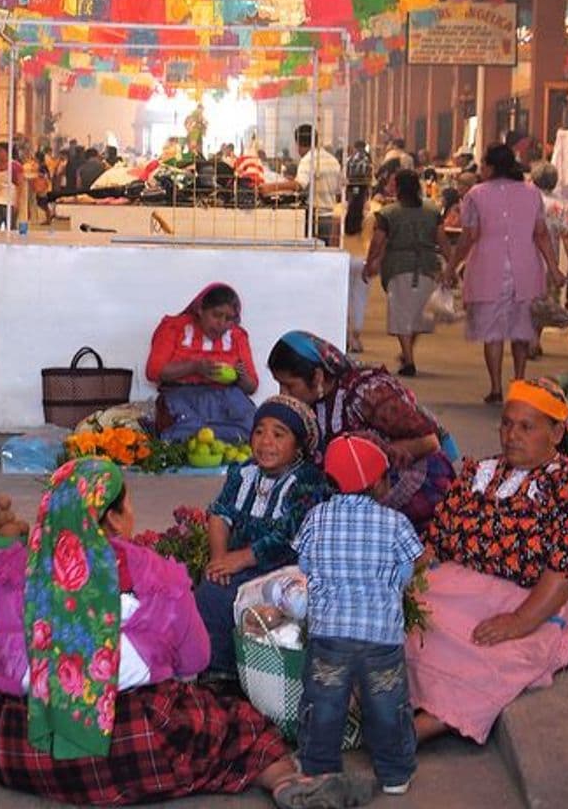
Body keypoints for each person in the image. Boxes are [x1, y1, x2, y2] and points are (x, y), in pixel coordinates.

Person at [0, 457, 299, 803]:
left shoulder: (10, 572)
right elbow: (195, 659)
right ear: (113, 519)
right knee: (237, 722)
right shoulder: (152, 573)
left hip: (23, 748)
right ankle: (284, 781)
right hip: (133, 742)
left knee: (0, 704)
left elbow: (5, 668)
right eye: (128, 504)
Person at [407, 378, 568, 745]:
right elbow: (437, 540)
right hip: (458, 587)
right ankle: (394, 707)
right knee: (406, 623)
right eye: (506, 423)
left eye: (526, 427)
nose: (511, 435)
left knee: (494, 654)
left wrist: (520, 621)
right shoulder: (480, 473)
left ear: (555, 434)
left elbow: (566, 566)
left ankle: (421, 728)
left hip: (532, 599)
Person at [274, 435, 422, 807]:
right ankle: (394, 774)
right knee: (387, 706)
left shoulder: (317, 517)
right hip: (381, 638)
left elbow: (305, 567)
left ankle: (319, 767)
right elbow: (405, 572)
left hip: (329, 636)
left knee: (324, 703)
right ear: (375, 483)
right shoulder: (396, 523)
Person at [194, 395, 330, 677]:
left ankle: (256, 674)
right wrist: (220, 559)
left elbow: (288, 535)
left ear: (299, 447)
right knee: (210, 592)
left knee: (259, 606)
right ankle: (220, 672)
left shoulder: (305, 481)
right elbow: (220, 513)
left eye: (278, 434)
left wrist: (242, 559)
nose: (266, 441)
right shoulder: (244, 472)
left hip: (283, 567)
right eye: (259, 431)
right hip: (238, 561)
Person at [267, 331, 456, 532]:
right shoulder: (312, 401)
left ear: (317, 376)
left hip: (414, 479)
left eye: (288, 385)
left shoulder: (368, 392)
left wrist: (364, 460)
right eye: (280, 385)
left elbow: (428, 442)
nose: (283, 393)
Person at [442, 143, 566, 404]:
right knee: (521, 329)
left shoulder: (476, 194)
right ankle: (519, 382)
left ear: (491, 166)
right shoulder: (532, 193)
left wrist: (452, 266)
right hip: (526, 267)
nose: (482, 169)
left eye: (484, 165)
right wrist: (554, 268)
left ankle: (496, 387)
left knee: (493, 331)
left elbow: (469, 237)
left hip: (488, 268)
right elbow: (541, 233)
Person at [362, 169, 452, 377]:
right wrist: (451, 265)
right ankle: (408, 352)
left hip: (398, 267)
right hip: (428, 266)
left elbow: (378, 242)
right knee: (422, 314)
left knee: (401, 313)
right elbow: (443, 240)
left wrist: (370, 262)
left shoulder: (388, 213)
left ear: (398, 187)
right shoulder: (432, 211)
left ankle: (409, 359)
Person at [145, 283, 259, 444]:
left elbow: (252, 387)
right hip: (181, 395)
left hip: (227, 397)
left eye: (228, 319)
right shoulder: (174, 327)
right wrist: (195, 367)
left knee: (252, 427)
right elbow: (153, 371)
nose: (222, 323)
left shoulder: (237, 335)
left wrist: (242, 376)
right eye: (216, 315)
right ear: (200, 310)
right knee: (184, 430)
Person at [261, 124, 342, 244]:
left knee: (310, 254)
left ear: (298, 143)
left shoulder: (308, 159)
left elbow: (298, 185)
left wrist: (270, 187)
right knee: (324, 254)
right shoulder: (332, 160)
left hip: (314, 218)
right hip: (330, 217)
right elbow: (338, 192)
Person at [528, 161, 568, 357]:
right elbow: (567, 236)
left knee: (528, 301)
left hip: (527, 256)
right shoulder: (561, 205)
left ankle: (528, 340)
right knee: (544, 300)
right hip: (551, 259)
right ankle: (535, 339)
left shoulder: (526, 200)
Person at [0, 142, 24, 235]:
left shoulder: (15, 166)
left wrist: (17, 202)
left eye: (0, 150)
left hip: (10, 203)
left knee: (11, 230)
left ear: (6, 152)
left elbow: (20, 186)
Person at [344, 140, 372, 237]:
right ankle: (356, 227)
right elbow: (369, 174)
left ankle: (350, 227)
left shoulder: (350, 158)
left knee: (352, 204)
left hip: (352, 185)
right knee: (359, 205)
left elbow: (346, 172)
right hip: (362, 185)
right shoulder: (367, 158)